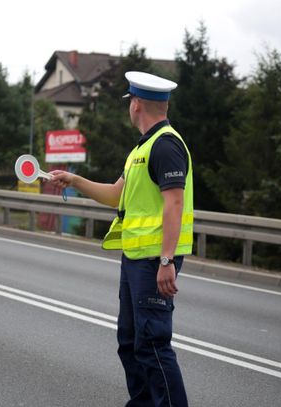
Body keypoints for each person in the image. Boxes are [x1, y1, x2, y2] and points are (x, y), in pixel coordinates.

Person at [50, 71, 193, 407]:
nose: (129, 108)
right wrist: (73, 179)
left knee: (153, 344)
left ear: (137, 104)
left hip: (153, 260)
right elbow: (117, 195)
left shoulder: (166, 145)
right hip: (135, 258)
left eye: (130, 102)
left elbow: (175, 203)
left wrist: (167, 260)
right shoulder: (141, 150)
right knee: (130, 342)